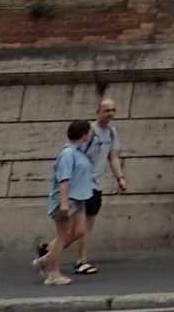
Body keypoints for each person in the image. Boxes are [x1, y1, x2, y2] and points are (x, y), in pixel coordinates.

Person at [70, 96, 129, 274]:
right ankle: (81, 260)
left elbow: (113, 157)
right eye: (106, 110)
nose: (110, 114)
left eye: (113, 110)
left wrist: (121, 178)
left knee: (83, 225)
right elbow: (75, 153)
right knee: (83, 225)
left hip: (97, 184)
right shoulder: (89, 132)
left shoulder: (111, 133)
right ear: (98, 112)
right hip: (83, 183)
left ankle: (49, 249)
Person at [31, 121, 94, 286]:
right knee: (62, 236)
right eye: (88, 132)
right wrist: (64, 202)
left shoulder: (79, 152)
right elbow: (64, 179)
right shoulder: (68, 154)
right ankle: (53, 273)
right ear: (84, 134)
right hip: (66, 199)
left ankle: (45, 259)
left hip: (79, 199)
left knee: (79, 230)